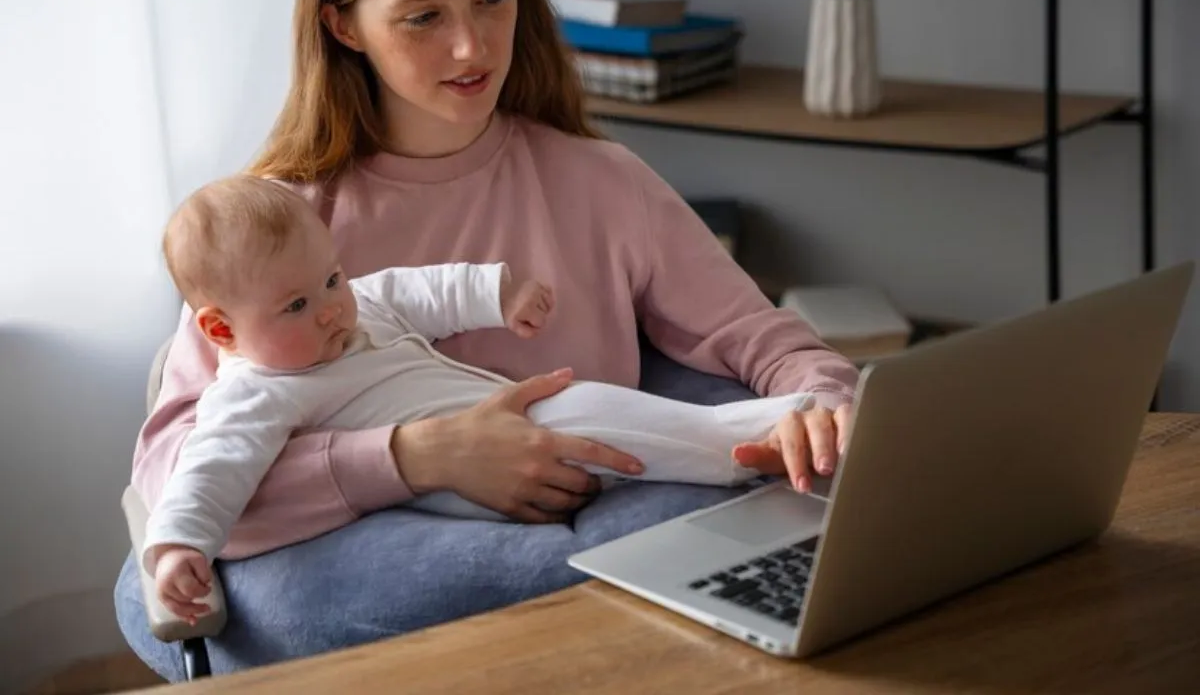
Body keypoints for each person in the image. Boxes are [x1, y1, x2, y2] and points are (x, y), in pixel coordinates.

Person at [116, 0, 859, 679]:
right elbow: (178, 473)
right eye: (422, 17)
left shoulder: (602, 183)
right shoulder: (279, 228)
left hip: (597, 513)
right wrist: (416, 457)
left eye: (493, 0)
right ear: (343, 26)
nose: (472, 46)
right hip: (404, 581)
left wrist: (827, 405)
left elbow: (761, 337)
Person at [147, 174, 820, 622]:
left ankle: (775, 436)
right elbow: (210, 467)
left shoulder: (358, 308)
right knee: (585, 411)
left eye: (331, 279)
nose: (330, 310)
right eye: (296, 304)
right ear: (220, 328)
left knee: (595, 424)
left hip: (498, 434)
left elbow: (423, 290)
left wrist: (500, 295)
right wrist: (179, 545)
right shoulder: (253, 392)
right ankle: (753, 439)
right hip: (459, 485)